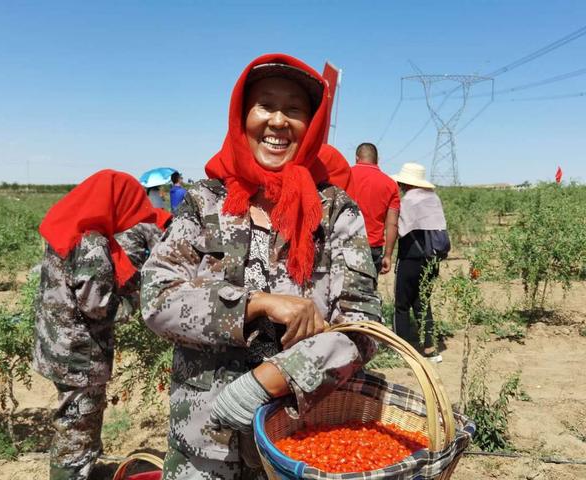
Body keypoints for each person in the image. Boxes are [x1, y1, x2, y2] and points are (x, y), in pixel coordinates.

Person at [141, 53, 382, 479]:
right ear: (242, 116)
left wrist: (273, 378)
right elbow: (157, 300)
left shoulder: (336, 213)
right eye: (265, 105)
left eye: (294, 110)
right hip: (203, 440)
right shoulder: (204, 204)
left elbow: (362, 328)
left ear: (312, 127)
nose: (277, 121)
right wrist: (254, 304)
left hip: (297, 443)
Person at [32, 169, 157, 480]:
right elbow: (97, 305)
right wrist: (140, 303)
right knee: (77, 430)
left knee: (72, 420)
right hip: (79, 355)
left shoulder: (69, 226)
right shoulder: (92, 242)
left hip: (57, 344)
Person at [391, 162, 447, 363]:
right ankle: (431, 349)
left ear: (406, 182)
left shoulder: (408, 201)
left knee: (402, 304)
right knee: (423, 301)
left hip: (410, 257)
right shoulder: (434, 199)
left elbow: (399, 228)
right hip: (432, 257)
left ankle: (403, 350)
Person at [349, 142, 400, 278]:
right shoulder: (390, 184)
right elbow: (392, 224)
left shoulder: (345, 176)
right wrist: (388, 255)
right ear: (377, 160)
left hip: (345, 244)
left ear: (356, 158)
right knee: (368, 293)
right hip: (372, 248)